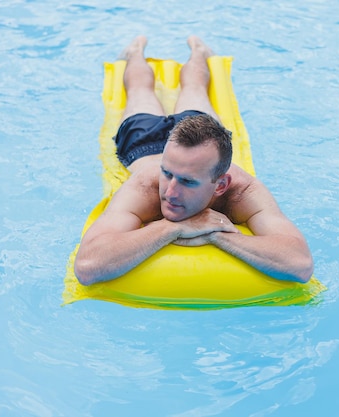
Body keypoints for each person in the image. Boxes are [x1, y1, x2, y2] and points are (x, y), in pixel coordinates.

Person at [74, 35, 314, 285]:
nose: (170, 192)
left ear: (220, 185)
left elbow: (300, 264)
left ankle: (199, 51)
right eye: (167, 174)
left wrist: (217, 234)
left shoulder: (242, 192)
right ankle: (135, 52)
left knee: (195, 87)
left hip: (201, 138)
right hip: (143, 146)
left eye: (188, 182)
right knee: (139, 89)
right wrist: (172, 228)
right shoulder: (146, 185)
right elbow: (87, 266)